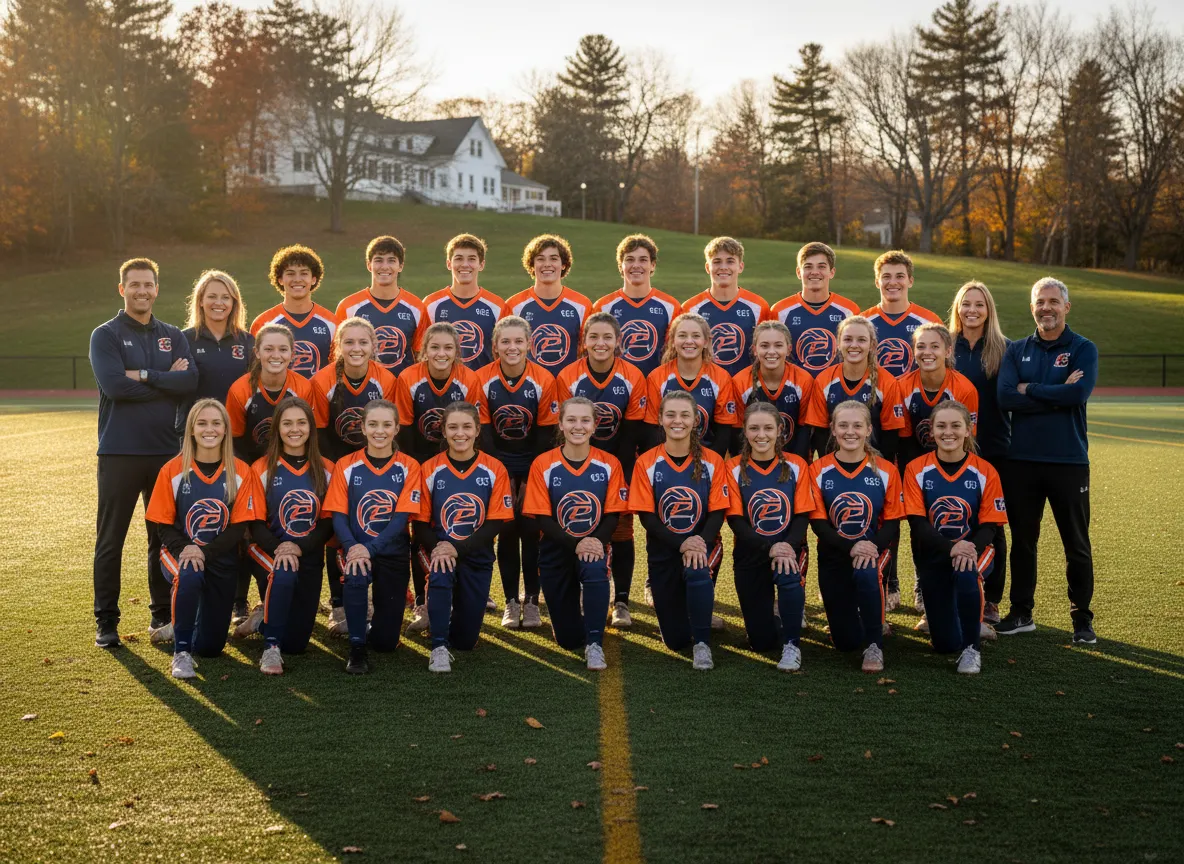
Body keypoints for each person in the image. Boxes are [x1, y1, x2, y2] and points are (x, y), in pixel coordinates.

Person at [89, 257, 198, 648]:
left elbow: (189, 382)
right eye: (134, 285)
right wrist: (166, 380)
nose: (142, 291)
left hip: (165, 454)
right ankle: (106, 621)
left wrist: (148, 376)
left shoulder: (171, 334)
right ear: (123, 289)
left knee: (161, 538)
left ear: (156, 288)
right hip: (119, 453)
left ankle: (161, 615)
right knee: (111, 540)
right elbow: (116, 387)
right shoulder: (106, 335)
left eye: (148, 284)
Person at [997, 277, 1098, 644]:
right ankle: (1022, 612)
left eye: (1053, 301)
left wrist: (1032, 389)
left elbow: (1078, 393)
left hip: (1069, 461)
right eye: (1040, 302)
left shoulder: (1083, 348)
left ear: (1066, 307)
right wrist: (1056, 391)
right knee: (1024, 540)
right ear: (1032, 307)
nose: (1046, 308)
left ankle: (1082, 619)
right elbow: (1006, 398)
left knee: (1076, 542)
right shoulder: (1016, 350)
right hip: (1021, 461)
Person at [145, 399, 256, 679]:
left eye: (216, 423)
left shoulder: (240, 471)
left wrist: (204, 552)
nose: (210, 429)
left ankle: (183, 624)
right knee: (190, 572)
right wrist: (188, 550)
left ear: (226, 429)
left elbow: (237, 528)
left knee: (210, 647)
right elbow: (163, 527)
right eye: (202, 423)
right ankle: (180, 652)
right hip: (179, 553)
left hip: (220, 556)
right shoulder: (172, 469)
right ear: (191, 430)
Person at [523, 397, 630, 670]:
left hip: (594, 546)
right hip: (556, 548)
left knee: (594, 568)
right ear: (560, 424)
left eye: (585, 420)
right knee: (568, 640)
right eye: (571, 420)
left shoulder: (609, 464)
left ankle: (595, 642)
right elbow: (543, 518)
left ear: (595, 426)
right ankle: (578, 626)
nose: (578, 426)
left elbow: (612, 514)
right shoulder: (543, 464)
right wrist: (577, 544)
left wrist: (594, 542)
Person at [556, 312, 647, 626]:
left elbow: (631, 433)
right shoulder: (569, 376)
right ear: (583, 342)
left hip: (617, 462)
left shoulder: (632, 375)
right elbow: (563, 430)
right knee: (576, 521)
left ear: (618, 341)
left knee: (620, 530)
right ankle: (576, 591)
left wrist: (616, 474)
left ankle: (621, 599)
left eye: (607, 337)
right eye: (593, 337)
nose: (600, 343)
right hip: (574, 461)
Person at [903, 401, 1007, 675]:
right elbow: (917, 523)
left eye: (955, 425)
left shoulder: (985, 470)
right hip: (936, 553)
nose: (948, 432)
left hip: (975, 550)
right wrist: (952, 547)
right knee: (945, 644)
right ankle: (964, 622)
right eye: (941, 426)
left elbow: (990, 526)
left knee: (965, 572)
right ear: (932, 431)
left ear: (968, 430)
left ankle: (972, 649)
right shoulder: (916, 469)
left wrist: (967, 548)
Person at [631, 391, 730, 670]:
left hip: (702, 545)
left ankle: (702, 642)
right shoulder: (647, 462)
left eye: (685, 414)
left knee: (697, 566)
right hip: (664, 550)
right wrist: (681, 544)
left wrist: (698, 542)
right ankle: (691, 613)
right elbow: (647, 517)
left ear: (696, 420)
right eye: (671, 414)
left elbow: (717, 511)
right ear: (660, 419)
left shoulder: (712, 461)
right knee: (675, 640)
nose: (678, 421)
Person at [395, 322, 483, 629]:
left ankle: (458, 593)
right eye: (434, 347)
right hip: (419, 464)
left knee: (455, 525)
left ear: (457, 352)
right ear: (423, 351)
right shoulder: (409, 378)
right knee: (419, 531)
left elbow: (471, 429)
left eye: (448, 348)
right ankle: (423, 602)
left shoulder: (469, 379)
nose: (441, 353)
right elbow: (404, 431)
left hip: (457, 462)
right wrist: (417, 472)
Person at [324, 400, 423, 674]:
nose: (380, 431)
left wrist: (371, 548)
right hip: (355, 549)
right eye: (373, 424)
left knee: (386, 642)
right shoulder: (346, 465)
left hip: (392, 552)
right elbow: (338, 516)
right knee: (355, 574)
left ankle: (363, 626)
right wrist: (353, 547)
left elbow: (402, 518)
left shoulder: (409, 466)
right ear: (363, 428)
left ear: (396, 428)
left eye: (386, 424)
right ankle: (356, 647)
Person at [413, 402, 513, 673]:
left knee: (466, 641)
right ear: (443, 431)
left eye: (467, 426)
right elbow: (420, 524)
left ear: (477, 430)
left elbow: (495, 522)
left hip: (476, 553)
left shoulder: (494, 469)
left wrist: (458, 548)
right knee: (442, 571)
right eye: (453, 427)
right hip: (440, 551)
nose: (460, 433)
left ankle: (447, 618)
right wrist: (442, 549)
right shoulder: (430, 469)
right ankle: (438, 646)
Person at [807, 401, 904, 673]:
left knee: (865, 571)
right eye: (843, 425)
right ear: (833, 430)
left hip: (872, 553)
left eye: (857, 425)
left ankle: (875, 644)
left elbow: (892, 524)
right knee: (845, 642)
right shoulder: (818, 470)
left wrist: (868, 547)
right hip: (834, 555)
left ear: (869, 429)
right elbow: (819, 524)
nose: (851, 431)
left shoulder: (886, 470)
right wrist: (852, 546)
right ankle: (861, 618)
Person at [475, 316, 559, 629]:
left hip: (534, 466)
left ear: (529, 345)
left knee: (531, 530)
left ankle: (532, 600)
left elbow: (544, 436)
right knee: (507, 532)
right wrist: (504, 481)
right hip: (497, 465)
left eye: (518, 341)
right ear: (495, 346)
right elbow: (484, 433)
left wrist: (530, 481)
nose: (512, 347)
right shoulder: (482, 378)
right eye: (505, 342)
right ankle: (511, 599)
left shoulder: (543, 379)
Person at [243, 397, 335, 673]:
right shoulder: (261, 468)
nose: (294, 429)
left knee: (296, 643)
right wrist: (281, 547)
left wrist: (299, 547)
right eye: (287, 423)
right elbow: (254, 523)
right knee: (282, 569)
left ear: (311, 428)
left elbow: (328, 523)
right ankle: (270, 649)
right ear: (277, 429)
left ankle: (261, 622)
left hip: (307, 553)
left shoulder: (327, 468)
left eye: (301, 422)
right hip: (268, 549)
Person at [725, 403, 816, 671]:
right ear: (745, 431)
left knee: (788, 571)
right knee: (761, 642)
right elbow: (736, 521)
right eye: (754, 428)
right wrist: (770, 547)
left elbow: (802, 516)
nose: (761, 435)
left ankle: (792, 643)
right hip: (751, 553)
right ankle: (777, 618)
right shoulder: (732, 468)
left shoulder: (797, 464)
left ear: (780, 430)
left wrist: (786, 546)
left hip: (789, 549)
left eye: (768, 428)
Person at [949, 280, 1011, 626]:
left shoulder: (1004, 349)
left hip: (993, 449)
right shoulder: (946, 347)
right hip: (951, 449)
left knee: (991, 525)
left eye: (979, 304)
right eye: (966, 304)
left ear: (989, 310)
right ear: (957, 309)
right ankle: (940, 595)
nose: (972, 310)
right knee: (948, 519)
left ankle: (991, 600)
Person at [801, 316, 904, 459]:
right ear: (838, 343)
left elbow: (890, 434)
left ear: (872, 345)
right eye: (848, 339)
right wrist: (833, 464)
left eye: (861, 340)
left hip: (874, 464)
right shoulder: (824, 380)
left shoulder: (887, 382)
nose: (854, 345)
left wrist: (880, 467)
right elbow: (820, 432)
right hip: (835, 463)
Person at [643, 312, 739, 458]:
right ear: (673, 341)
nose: (689, 341)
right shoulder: (657, 377)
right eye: (682, 336)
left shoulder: (721, 378)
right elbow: (652, 430)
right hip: (667, 457)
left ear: (706, 341)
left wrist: (708, 464)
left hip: (707, 458)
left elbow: (723, 432)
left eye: (696, 336)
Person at [335, 235, 428, 377]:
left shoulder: (416, 307)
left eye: (391, 261)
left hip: (401, 390)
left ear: (400, 266)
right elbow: (337, 356)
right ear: (369, 265)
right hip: (362, 390)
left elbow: (422, 356)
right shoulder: (348, 307)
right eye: (378, 260)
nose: (385, 266)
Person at [592, 234, 682, 379]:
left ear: (652, 265)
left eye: (643, 260)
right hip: (616, 387)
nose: (636, 265)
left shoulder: (671, 306)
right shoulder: (603, 307)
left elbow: (675, 354)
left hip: (658, 387)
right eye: (630, 260)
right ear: (621, 265)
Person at [226, 323, 317, 465]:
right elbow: (235, 441)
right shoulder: (240, 390)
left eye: (283, 349)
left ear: (292, 354)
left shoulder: (303, 387)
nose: (276, 355)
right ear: (257, 352)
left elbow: (308, 435)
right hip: (251, 463)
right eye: (268, 349)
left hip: (293, 462)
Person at [682, 236, 772, 377]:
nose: (723, 267)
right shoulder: (691, 307)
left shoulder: (759, 306)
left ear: (740, 266)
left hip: (747, 387)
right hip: (706, 386)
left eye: (730, 261)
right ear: (707, 267)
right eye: (717, 262)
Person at [312, 317, 399, 461]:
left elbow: (388, 429)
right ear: (339, 346)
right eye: (349, 342)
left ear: (373, 346)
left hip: (375, 454)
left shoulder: (386, 379)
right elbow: (320, 431)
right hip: (334, 456)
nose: (356, 348)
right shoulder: (322, 380)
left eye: (363, 342)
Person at [503, 234, 591, 373]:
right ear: (532, 265)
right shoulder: (514, 306)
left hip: (569, 388)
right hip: (529, 388)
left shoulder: (582, 305)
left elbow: (588, 352)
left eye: (553, 259)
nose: (547, 264)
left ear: (563, 265)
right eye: (540, 259)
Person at [770, 242, 861, 376]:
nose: (814, 272)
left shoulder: (849, 310)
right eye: (808, 267)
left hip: (835, 389)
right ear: (798, 272)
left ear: (832, 272)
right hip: (794, 390)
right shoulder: (780, 311)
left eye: (821, 266)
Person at [897, 323, 980, 469]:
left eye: (935, 346)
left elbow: (967, 440)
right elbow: (905, 441)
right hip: (914, 464)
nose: (927, 352)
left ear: (948, 352)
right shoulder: (902, 387)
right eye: (921, 346)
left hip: (953, 463)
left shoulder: (965, 389)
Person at [731, 320, 817, 459]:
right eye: (764, 346)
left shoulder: (803, 380)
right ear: (754, 349)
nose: (771, 351)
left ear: (788, 349)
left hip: (793, 458)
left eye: (778, 345)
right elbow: (737, 432)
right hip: (753, 459)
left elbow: (804, 430)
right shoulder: (740, 382)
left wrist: (797, 465)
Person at [250, 245, 339, 378]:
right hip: (279, 398)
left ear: (314, 279)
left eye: (304, 273)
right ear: (280, 279)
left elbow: (338, 370)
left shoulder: (332, 323)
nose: (297, 279)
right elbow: (255, 372)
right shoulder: (263, 323)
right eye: (290, 273)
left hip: (319, 398)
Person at [423, 234, 506, 369]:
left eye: (472, 259)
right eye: (459, 258)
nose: (465, 264)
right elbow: (422, 353)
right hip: (444, 386)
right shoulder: (431, 304)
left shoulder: (497, 306)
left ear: (481, 264)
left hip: (483, 386)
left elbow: (504, 354)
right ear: (449, 264)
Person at [180, 269, 253, 418]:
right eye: (212, 296)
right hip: (196, 429)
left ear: (234, 302)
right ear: (200, 301)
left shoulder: (248, 342)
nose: (218, 303)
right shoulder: (183, 340)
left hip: (238, 429)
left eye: (226, 297)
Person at [859, 250, 942, 379]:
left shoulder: (930, 321)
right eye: (886, 276)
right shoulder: (862, 322)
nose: (892, 282)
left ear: (910, 281)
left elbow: (942, 370)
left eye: (899, 276)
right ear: (877, 282)